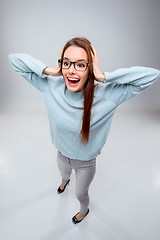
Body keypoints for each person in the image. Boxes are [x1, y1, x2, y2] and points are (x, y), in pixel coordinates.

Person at [9, 37, 160, 224]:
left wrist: (103, 76)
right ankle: (64, 182)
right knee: (63, 174)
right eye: (66, 63)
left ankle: (84, 211)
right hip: (62, 153)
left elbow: (151, 75)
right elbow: (14, 60)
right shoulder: (51, 86)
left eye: (80, 65)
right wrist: (51, 70)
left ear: (90, 67)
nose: (71, 70)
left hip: (85, 163)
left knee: (81, 193)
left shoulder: (107, 95)